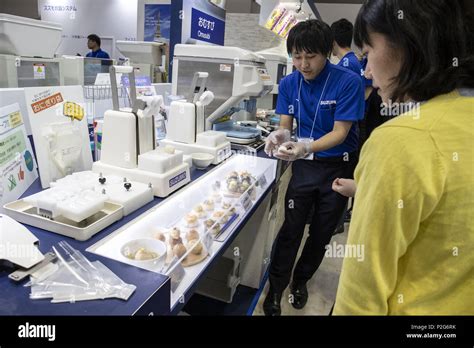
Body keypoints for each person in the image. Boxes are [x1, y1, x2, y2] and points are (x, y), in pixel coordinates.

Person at [333, 0, 474, 315]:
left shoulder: (402, 141)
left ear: (411, 41)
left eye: (369, 53)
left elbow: (359, 298)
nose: (368, 71)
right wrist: (370, 190)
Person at [263, 19, 364, 316]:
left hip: (338, 167)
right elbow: (286, 126)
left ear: (326, 52)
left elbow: (340, 132)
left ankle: (301, 280)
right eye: (296, 57)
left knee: (321, 233)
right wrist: (281, 136)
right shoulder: (289, 83)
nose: (303, 65)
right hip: (305, 167)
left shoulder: (348, 81)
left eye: (310, 56)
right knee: (291, 228)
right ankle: (276, 289)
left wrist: (306, 145)